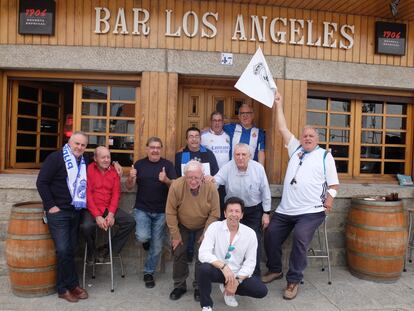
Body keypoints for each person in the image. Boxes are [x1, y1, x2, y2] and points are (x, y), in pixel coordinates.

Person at [263, 93, 339, 300]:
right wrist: (278, 104)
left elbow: (334, 184)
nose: (307, 138)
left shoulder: (325, 156)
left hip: (311, 212)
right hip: (286, 210)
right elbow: (282, 129)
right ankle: (275, 269)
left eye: (311, 136)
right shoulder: (295, 150)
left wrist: (329, 201)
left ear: (317, 139)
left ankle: (293, 281)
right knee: (270, 234)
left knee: (299, 237)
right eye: (304, 135)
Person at [36, 131, 89, 303]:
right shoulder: (56, 158)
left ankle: (72, 285)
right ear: (69, 142)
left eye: (83, 145)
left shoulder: (83, 161)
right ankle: (63, 288)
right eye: (77, 143)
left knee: (71, 249)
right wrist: (50, 206)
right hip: (58, 213)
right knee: (64, 249)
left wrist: (116, 164)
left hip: (75, 211)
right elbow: (41, 182)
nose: (79, 147)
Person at [210, 143, 271, 276]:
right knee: (230, 240)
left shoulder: (258, 168)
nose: (241, 157)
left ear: (249, 156)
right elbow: (216, 181)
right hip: (233, 211)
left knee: (253, 241)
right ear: (234, 156)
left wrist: (266, 213)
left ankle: (253, 275)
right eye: (237, 154)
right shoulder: (228, 167)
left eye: (244, 154)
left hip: (253, 210)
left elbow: (265, 190)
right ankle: (229, 273)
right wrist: (210, 181)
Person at [198, 197, 268, 311]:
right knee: (204, 269)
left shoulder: (250, 234)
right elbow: (203, 253)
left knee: (261, 291)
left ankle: (229, 289)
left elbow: (250, 263)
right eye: (230, 211)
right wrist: (223, 266)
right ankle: (206, 305)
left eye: (237, 211)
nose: (233, 214)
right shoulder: (214, 227)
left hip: (237, 273)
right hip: (219, 270)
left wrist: (236, 282)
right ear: (225, 213)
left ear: (242, 215)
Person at [166, 160, 220, 302]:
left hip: (204, 225)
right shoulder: (176, 185)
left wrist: (206, 233)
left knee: (202, 255)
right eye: (190, 177)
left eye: (196, 177)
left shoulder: (211, 187)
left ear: (203, 176)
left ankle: (199, 286)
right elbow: (170, 212)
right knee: (178, 252)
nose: (193, 181)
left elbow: (215, 213)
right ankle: (179, 285)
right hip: (182, 223)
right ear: (185, 176)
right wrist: (175, 235)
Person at [126, 137, 176, 288]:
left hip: (161, 212)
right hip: (142, 209)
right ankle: (146, 240)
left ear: (161, 149)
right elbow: (129, 187)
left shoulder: (167, 165)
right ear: (147, 148)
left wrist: (166, 180)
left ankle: (149, 272)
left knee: (157, 247)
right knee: (143, 237)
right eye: (152, 147)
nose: (155, 150)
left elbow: (175, 187)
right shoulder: (139, 164)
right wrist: (131, 177)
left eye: (158, 147)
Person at [80, 146, 135, 265]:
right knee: (86, 226)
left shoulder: (114, 172)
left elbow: (116, 194)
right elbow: (87, 195)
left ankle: (106, 249)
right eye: (103, 157)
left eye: (108, 157)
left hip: (108, 208)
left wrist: (110, 214)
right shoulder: (88, 170)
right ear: (95, 158)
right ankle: (92, 252)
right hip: (91, 208)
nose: (106, 160)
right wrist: (97, 216)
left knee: (130, 222)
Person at [175, 126, 219, 262]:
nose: (194, 139)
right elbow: (177, 177)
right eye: (191, 137)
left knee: (200, 234)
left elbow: (215, 174)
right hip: (186, 199)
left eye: (197, 136)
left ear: (200, 139)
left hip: (203, 198)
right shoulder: (180, 155)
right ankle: (189, 252)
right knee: (187, 231)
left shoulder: (208, 154)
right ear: (186, 140)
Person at [201, 111, 230, 219]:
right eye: (214, 120)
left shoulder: (228, 136)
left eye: (219, 120)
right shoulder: (203, 136)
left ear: (223, 122)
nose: (217, 123)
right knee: (208, 210)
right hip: (208, 179)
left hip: (225, 180)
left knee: (223, 209)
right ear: (210, 122)